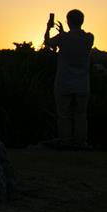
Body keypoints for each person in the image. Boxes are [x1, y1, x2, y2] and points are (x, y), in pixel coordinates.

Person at [44, 9, 94, 148]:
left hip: (64, 82)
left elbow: (47, 43)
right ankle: (81, 143)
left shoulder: (63, 38)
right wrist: (63, 34)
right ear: (82, 21)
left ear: (68, 21)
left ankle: (65, 142)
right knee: (81, 115)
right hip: (82, 83)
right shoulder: (89, 38)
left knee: (64, 115)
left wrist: (48, 28)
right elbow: (74, 40)